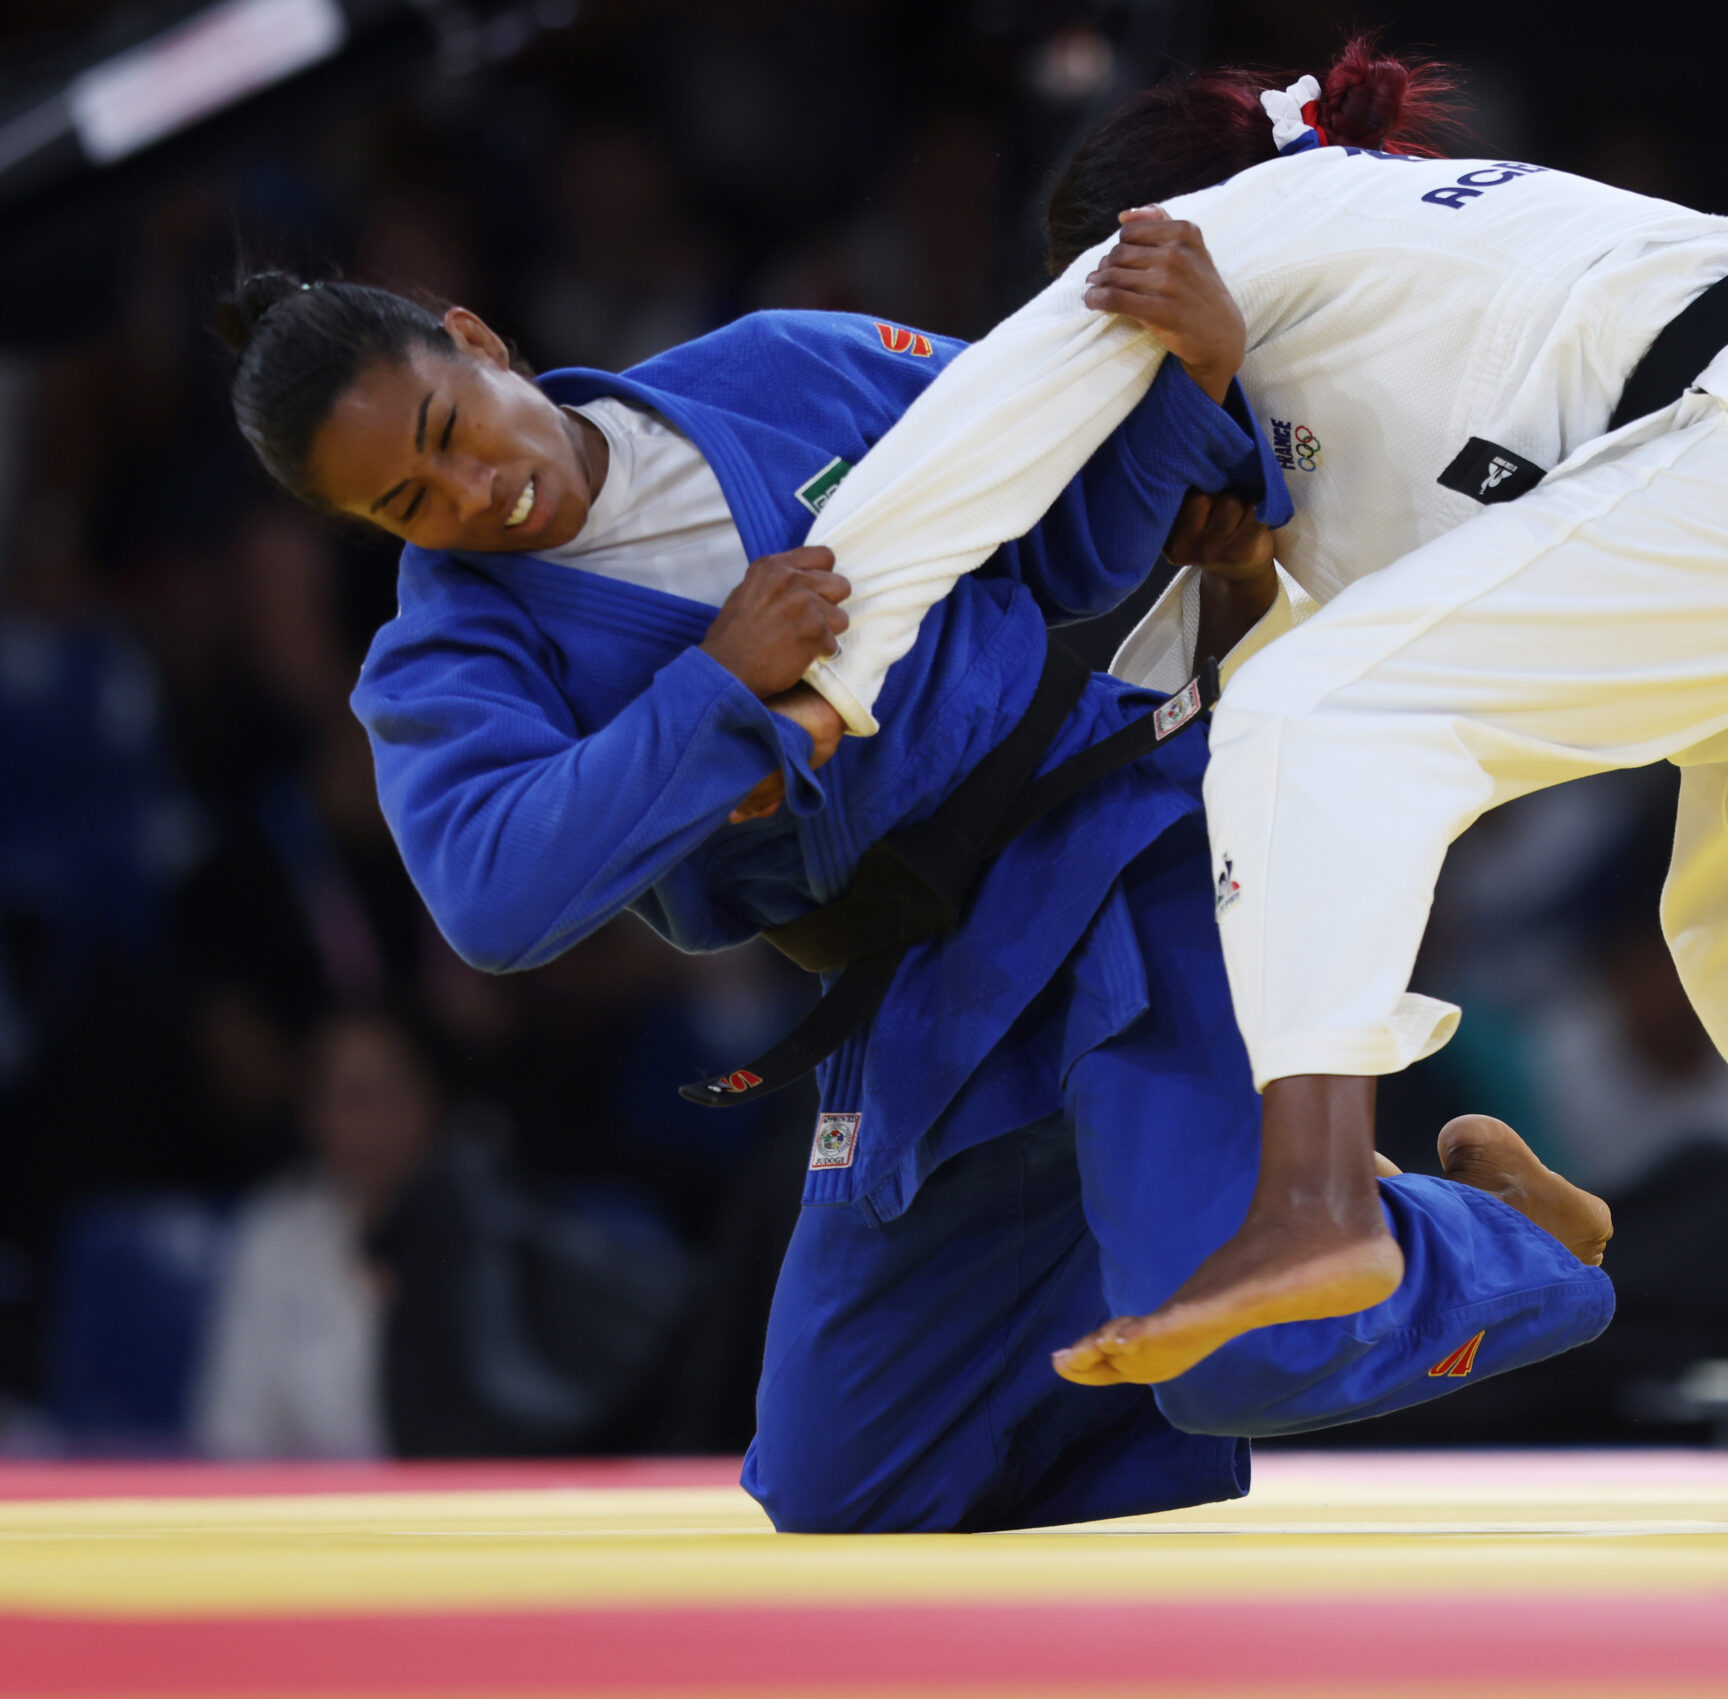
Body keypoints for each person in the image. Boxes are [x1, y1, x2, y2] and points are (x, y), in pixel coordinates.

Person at [781, 36, 1728, 1519]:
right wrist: (1241, 521)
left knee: (1320, 708)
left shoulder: (1241, 221)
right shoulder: (1405, 288)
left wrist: (808, 687)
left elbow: (965, 458)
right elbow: (1362, 645)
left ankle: (1316, 1195)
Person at [211, 273, 1612, 1531]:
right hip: (924, 984)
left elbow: (1064, 510)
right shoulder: (449, 657)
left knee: (1242, 1344)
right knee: (847, 1490)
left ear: (477, 338)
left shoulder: (776, 370)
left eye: (452, 429)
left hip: (1116, 843)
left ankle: (1508, 1241)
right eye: (408, 504)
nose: (473, 496)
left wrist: (1190, 388)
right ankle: (1179, 1197)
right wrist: (716, 689)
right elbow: (494, 895)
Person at [192, 1008, 439, 1460]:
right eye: (351, 1097)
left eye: (391, 1091)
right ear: (312, 1113)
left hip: (453, 1519)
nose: (374, 1120)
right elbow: (233, 1435)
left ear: (431, 1101)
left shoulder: (483, 1233)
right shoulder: (273, 1237)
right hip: (309, 1516)